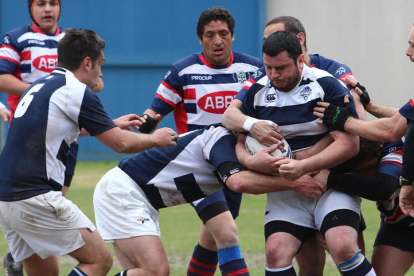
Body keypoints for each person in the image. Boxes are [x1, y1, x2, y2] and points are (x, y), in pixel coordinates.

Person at [0, 28, 177, 276]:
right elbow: (120, 145)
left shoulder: (42, 85)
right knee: (99, 261)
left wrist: (111, 123)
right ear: (87, 63)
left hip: (6, 199)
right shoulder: (77, 90)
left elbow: (58, 126)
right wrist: (155, 139)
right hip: (34, 196)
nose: (101, 72)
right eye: (100, 64)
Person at [222, 16, 367, 275]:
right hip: (286, 192)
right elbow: (238, 136)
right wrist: (249, 157)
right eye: (268, 67)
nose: (273, 75)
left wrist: (303, 166)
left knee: (343, 245)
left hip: (329, 182)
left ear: (300, 59)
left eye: (280, 68)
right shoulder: (258, 90)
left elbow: (350, 144)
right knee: (276, 252)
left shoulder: (325, 84)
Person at [93, 124, 324, 276]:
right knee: (156, 271)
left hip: (137, 196)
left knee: (143, 271)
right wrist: (293, 183)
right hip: (123, 191)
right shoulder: (218, 139)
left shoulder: (240, 151)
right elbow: (238, 183)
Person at [139, 7, 263, 276]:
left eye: (223, 34)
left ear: (232, 36)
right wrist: (141, 123)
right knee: (228, 234)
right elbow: (155, 111)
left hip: (235, 163)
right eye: (210, 35)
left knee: (211, 239)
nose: (217, 40)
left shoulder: (253, 69)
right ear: (200, 39)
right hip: (197, 166)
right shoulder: (183, 71)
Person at [313, 25, 414, 219]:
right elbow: (407, 116)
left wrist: (345, 121)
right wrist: (370, 106)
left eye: (412, 45)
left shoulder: (389, 146)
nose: (407, 52)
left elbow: (392, 130)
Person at [312, 136, 414, 276]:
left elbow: (383, 186)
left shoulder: (395, 144)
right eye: (356, 172)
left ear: (379, 149)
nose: (364, 174)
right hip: (398, 226)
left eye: (368, 167)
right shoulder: (342, 159)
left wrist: (329, 178)